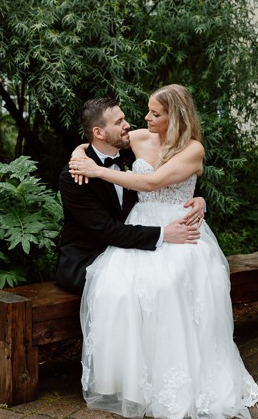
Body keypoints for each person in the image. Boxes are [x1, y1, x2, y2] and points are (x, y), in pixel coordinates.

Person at [68, 84, 258, 419]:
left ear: (175, 116)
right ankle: (132, 381)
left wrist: (199, 200)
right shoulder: (140, 139)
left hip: (181, 231)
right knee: (120, 288)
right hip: (141, 228)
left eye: (155, 113)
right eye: (146, 112)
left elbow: (152, 183)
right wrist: (78, 153)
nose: (144, 118)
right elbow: (99, 140)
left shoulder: (193, 149)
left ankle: (179, 379)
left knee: (172, 284)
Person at [56, 97, 205, 294]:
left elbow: (171, 180)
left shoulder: (131, 154)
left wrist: (200, 199)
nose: (127, 125)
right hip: (89, 258)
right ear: (98, 132)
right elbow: (106, 230)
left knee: (177, 277)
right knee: (139, 288)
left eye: (123, 119)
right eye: (119, 122)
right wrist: (163, 233)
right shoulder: (75, 175)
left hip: (131, 249)